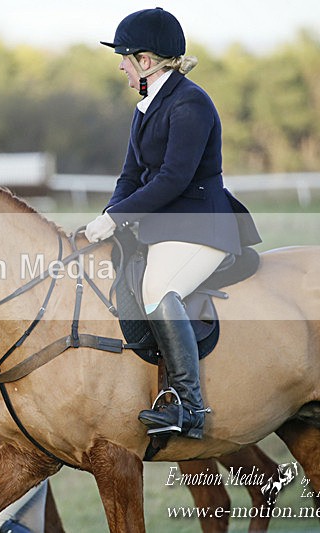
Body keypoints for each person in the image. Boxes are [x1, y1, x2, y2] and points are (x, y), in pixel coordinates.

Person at [84, 7, 261, 439]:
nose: (121, 67)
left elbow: (173, 178)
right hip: (165, 226)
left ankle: (189, 405)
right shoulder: (146, 107)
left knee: (157, 291)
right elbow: (129, 176)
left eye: (125, 58)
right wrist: (108, 217)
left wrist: (119, 217)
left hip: (203, 225)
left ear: (146, 61)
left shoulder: (190, 103)